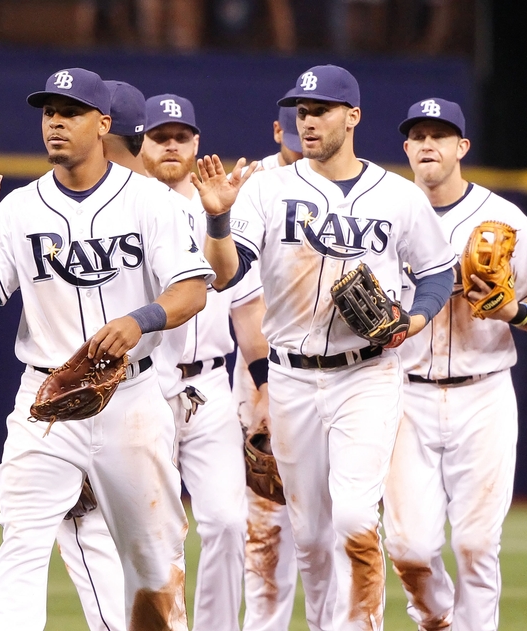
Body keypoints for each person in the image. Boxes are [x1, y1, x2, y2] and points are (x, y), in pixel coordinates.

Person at [192, 64, 457, 631]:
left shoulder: (397, 196)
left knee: (356, 517)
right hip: (289, 377)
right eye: (302, 111)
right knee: (309, 534)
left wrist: (413, 319)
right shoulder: (265, 188)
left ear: (353, 116)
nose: (307, 121)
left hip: (367, 374)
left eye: (321, 111)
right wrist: (217, 218)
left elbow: (438, 271)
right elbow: (223, 273)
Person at [0, 67, 212, 631]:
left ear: (104, 123)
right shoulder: (19, 209)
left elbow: (193, 289)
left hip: (132, 397)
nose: (56, 124)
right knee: (20, 543)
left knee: (152, 560)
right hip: (47, 401)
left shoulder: (148, 201)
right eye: (49, 113)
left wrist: (140, 319)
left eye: (70, 112)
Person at [383, 97, 527, 631]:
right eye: (418, 136)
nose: (428, 145)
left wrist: (515, 309)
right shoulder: (385, 214)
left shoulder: (504, 218)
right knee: (409, 547)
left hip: (483, 391)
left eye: (440, 135)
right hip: (405, 392)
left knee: (478, 542)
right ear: (407, 147)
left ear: (462, 147)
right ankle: (436, 619)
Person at [140, 92, 269, 631]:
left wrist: (263, 389)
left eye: (181, 137)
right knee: (156, 531)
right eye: (160, 137)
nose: (172, 145)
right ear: (141, 143)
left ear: (196, 143)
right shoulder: (125, 205)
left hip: (212, 387)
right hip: (145, 387)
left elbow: (247, 306)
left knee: (226, 520)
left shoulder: (220, 205)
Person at [53, 77, 150, 631]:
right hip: (155, 394)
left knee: (112, 542)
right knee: (154, 554)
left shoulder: (160, 208)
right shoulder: (175, 205)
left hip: (137, 394)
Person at [238, 96, 302, 631]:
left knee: (340, 519)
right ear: (279, 130)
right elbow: (246, 298)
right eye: (296, 126)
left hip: (340, 371)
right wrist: (263, 385)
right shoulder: (253, 187)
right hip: (267, 362)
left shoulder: (359, 189)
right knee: (265, 516)